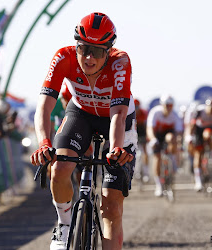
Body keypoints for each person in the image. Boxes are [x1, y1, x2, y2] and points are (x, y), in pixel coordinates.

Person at [30, 12, 137, 250]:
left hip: (115, 119)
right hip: (81, 114)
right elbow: (43, 107)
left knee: (111, 206)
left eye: (98, 51)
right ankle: (64, 224)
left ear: (108, 51)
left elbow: (118, 115)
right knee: (58, 168)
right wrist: (44, 143)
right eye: (83, 48)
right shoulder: (63, 57)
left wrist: (117, 147)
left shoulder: (120, 62)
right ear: (75, 46)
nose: (89, 57)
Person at [146, 94, 183, 197]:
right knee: (157, 157)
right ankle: (159, 185)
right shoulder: (155, 112)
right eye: (166, 105)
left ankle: (173, 161)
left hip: (168, 136)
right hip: (157, 135)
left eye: (170, 105)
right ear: (162, 105)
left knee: (172, 138)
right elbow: (149, 129)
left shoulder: (175, 115)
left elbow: (179, 133)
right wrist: (153, 140)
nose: (168, 107)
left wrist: (178, 144)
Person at [189, 96, 212, 191]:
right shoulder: (199, 111)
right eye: (211, 107)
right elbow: (192, 125)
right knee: (198, 154)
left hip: (208, 130)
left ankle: (211, 157)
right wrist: (190, 136)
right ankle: (198, 180)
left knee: (207, 135)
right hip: (198, 131)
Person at [134, 98, 149, 181]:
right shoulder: (130, 113)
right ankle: (135, 171)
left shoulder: (143, 113)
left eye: (137, 107)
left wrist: (147, 137)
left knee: (144, 150)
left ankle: (146, 172)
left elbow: (146, 126)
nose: (136, 109)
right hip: (134, 130)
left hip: (142, 130)